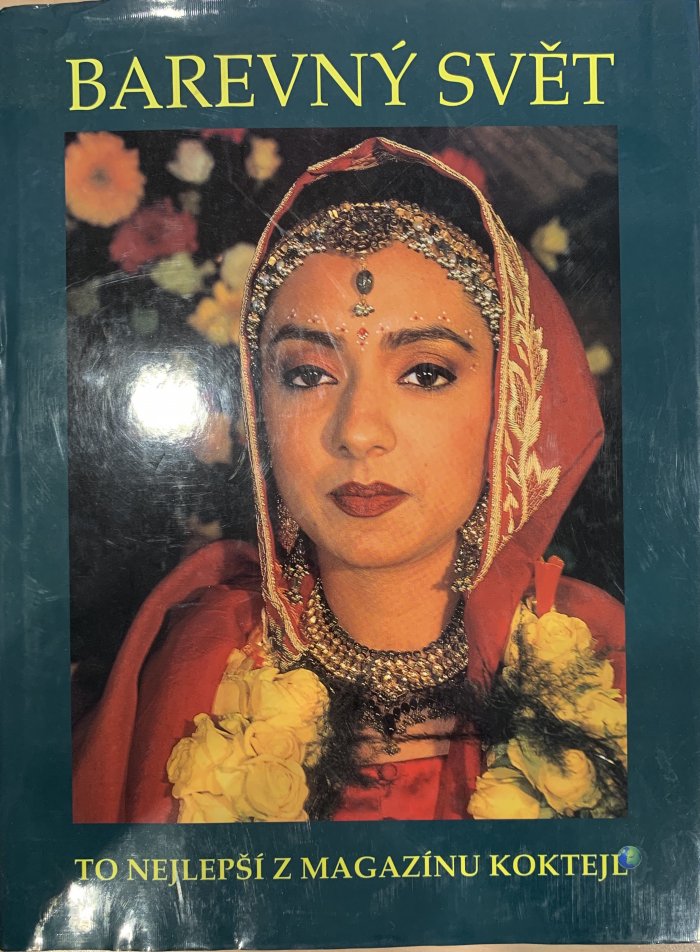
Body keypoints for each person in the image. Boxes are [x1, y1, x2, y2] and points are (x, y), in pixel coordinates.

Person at [73, 137, 626, 823]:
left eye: (426, 373)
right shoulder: (199, 666)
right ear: (259, 408)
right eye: (309, 375)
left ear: (512, 403)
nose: (358, 431)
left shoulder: (605, 661)